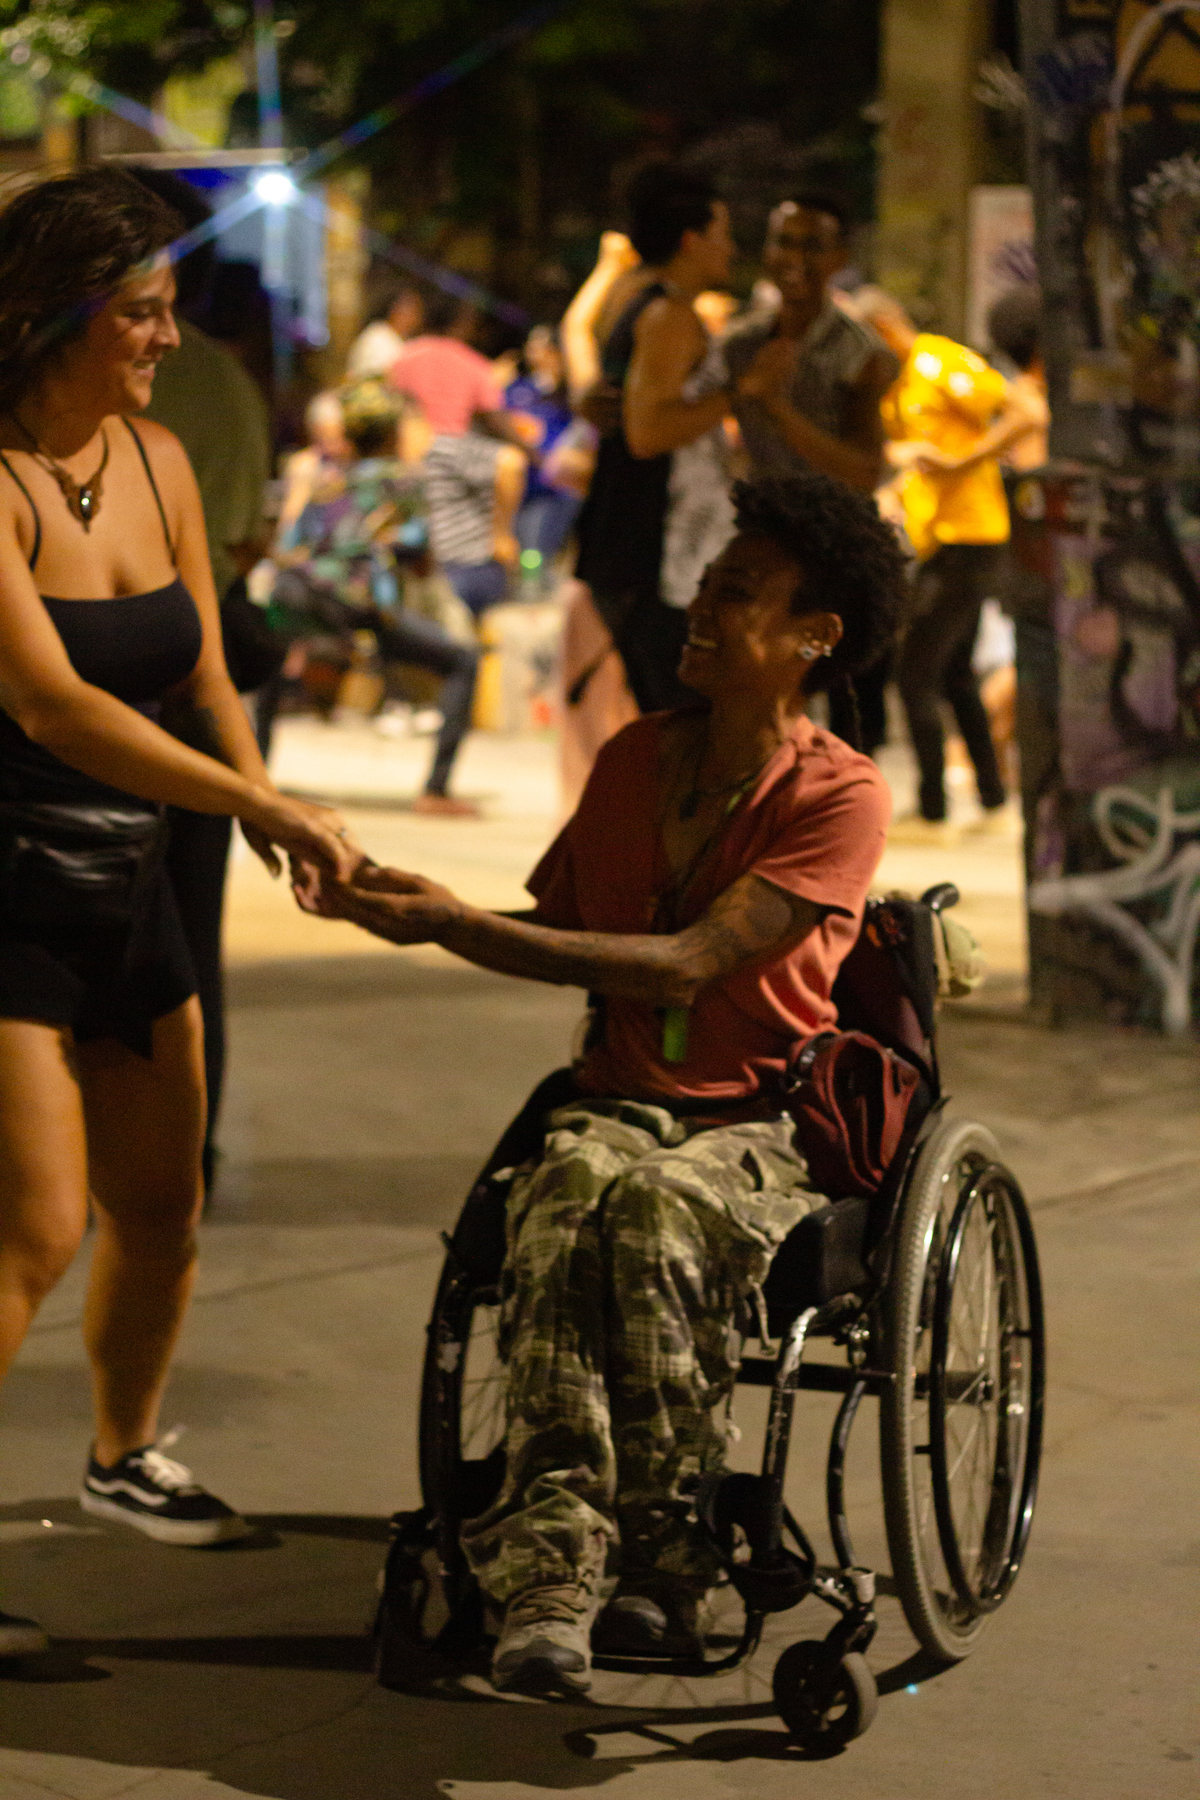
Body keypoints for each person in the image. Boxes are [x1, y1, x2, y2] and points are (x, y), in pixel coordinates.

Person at [308, 469, 903, 1697]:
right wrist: (397, 907)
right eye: (707, 582)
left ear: (814, 637)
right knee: (567, 1192)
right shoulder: (635, 757)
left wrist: (456, 926)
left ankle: (669, 1558)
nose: (700, 607)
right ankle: (553, 1570)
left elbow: (689, 962)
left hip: (755, 1122)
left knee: (657, 1212)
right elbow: (557, 925)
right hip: (615, 1097)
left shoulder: (837, 792)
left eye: (738, 592)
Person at [0, 167, 359, 1656]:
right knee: (34, 1226)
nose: (167, 338)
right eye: (142, 313)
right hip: (10, 885)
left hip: (134, 879)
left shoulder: (154, 461)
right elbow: (54, 705)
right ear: (56, 315)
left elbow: (204, 670)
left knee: (162, 1209)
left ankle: (124, 1453)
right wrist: (260, 807)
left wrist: (267, 804)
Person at [135, 165, 275, 1198]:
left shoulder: (146, 413)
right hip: (188, 682)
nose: (161, 339)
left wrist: (261, 795)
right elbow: (244, 546)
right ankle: (189, 1146)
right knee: (187, 933)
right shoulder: (227, 386)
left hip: (157, 689)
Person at [712, 193, 900, 752]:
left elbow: (865, 469)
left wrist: (775, 407)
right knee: (761, 707)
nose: (794, 258)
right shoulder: (740, 345)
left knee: (848, 721)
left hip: (839, 550)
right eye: (784, 242)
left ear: (839, 258)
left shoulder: (861, 352)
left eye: (812, 246)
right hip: (762, 542)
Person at [858, 288, 1046, 840]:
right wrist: (900, 483)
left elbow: (1028, 412)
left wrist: (962, 461)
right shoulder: (896, 384)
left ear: (884, 329)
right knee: (955, 673)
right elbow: (912, 454)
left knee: (914, 672)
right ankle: (992, 802)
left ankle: (933, 809)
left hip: (971, 538)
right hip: (937, 540)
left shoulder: (938, 361)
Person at [573, 160, 739, 714]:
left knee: (670, 716)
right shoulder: (670, 315)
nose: (732, 249)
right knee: (681, 718)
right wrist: (741, 394)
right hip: (658, 553)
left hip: (636, 544)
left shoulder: (637, 299)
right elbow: (647, 433)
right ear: (691, 241)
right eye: (722, 234)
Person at [274, 381, 481, 817]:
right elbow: (418, 553)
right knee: (462, 660)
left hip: (299, 593)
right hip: (357, 600)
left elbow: (292, 540)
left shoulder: (326, 478)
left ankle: (253, 777)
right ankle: (436, 790)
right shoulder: (406, 478)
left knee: (266, 664)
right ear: (392, 433)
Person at [504, 325, 581, 582]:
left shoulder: (570, 390)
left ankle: (534, 586)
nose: (534, 352)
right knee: (520, 543)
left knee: (539, 546)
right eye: (531, 345)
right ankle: (527, 586)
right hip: (521, 481)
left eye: (541, 346)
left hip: (555, 487)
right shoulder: (516, 388)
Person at [346, 280, 424, 382]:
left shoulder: (400, 338)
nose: (415, 316)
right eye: (409, 308)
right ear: (393, 309)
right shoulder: (377, 337)